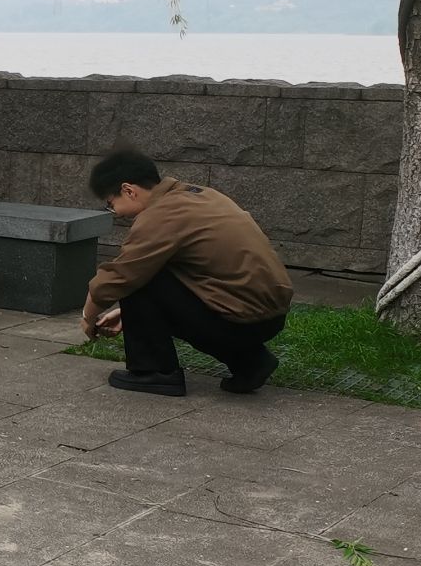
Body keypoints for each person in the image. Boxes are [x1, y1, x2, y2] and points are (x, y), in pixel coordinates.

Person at [81, 150, 293, 397]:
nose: (116, 212)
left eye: (111, 204)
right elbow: (200, 277)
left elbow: (116, 279)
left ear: (128, 190)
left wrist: (88, 318)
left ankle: (155, 372)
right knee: (152, 268)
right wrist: (130, 314)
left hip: (241, 320)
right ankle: (251, 362)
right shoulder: (201, 195)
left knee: (138, 273)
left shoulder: (161, 215)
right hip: (268, 315)